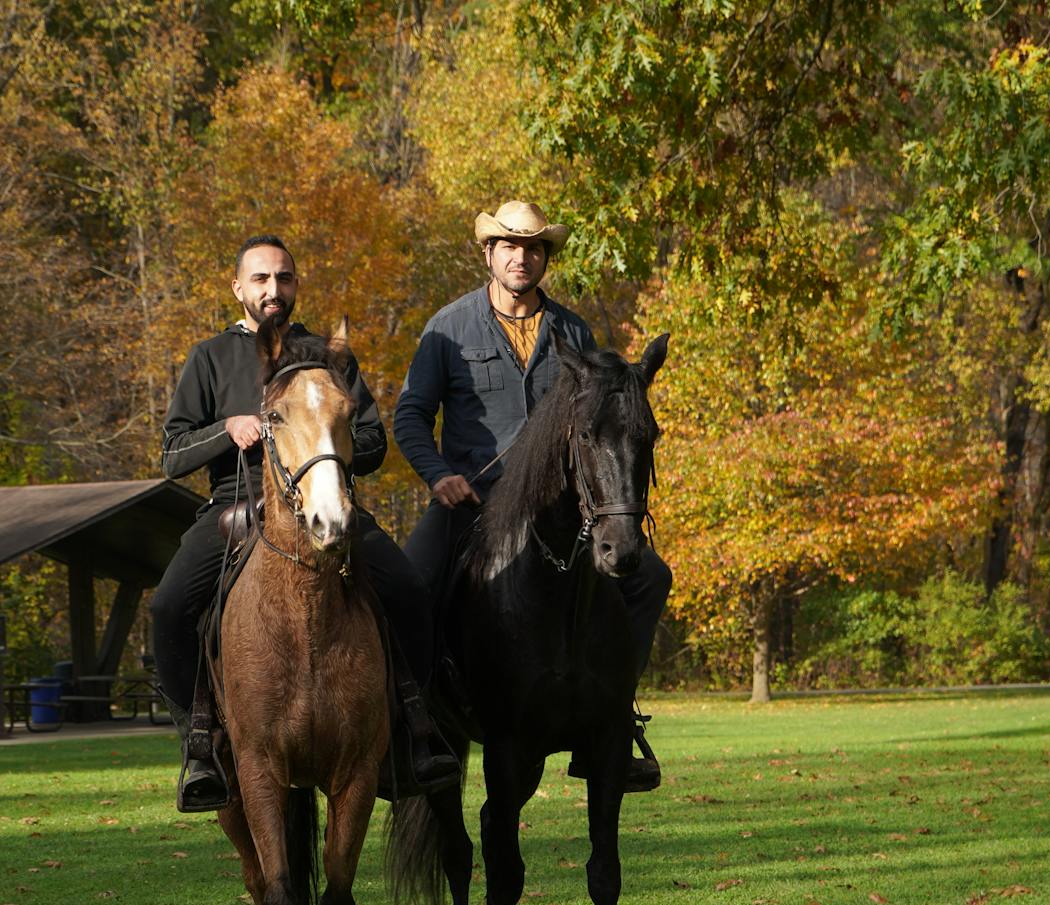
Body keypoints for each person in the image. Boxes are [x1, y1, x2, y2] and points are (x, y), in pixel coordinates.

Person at [152, 235, 457, 812]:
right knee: (168, 606)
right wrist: (229, 429)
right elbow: (171, 453)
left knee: (411, 591)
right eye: (261, 280)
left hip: (327, 501)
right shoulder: (210, 356)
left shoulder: (327, 354)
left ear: (295, 286)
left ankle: (411, 730)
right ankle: (200, 745)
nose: (274, 289)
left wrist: (329, 446)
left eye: (284, 278)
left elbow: (371, 439)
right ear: (238, 288)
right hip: (232, 509)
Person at [392, 201, 671, 791]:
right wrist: (438, 475)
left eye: (535, 248)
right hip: (471, 504)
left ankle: (616, 717)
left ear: (546, 258)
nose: (523, 258)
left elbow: (601, 421)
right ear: (489, 253)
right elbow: (411, 417)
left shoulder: (573, 331)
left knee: (650, 577)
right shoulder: (448, 328)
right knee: (408, 586)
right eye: (511, 247)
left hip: (557, 515)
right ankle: (414, 725)